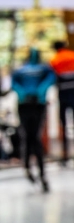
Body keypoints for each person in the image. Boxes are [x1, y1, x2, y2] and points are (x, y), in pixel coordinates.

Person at [7, 49, 55, 192]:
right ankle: (31, 168)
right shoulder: (25, 70)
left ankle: (35, 170)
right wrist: (31, 93)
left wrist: (36, 93)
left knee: (32, 138)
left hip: (33, 105)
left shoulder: (39, 69)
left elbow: (50, 80)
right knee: (30, 137)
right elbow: (14, 84)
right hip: (30, 105)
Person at [49, 40, 74, 166]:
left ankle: (65, 153)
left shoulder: (55, 60)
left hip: (63, 95)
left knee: (64, 124)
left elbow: (53, 79)